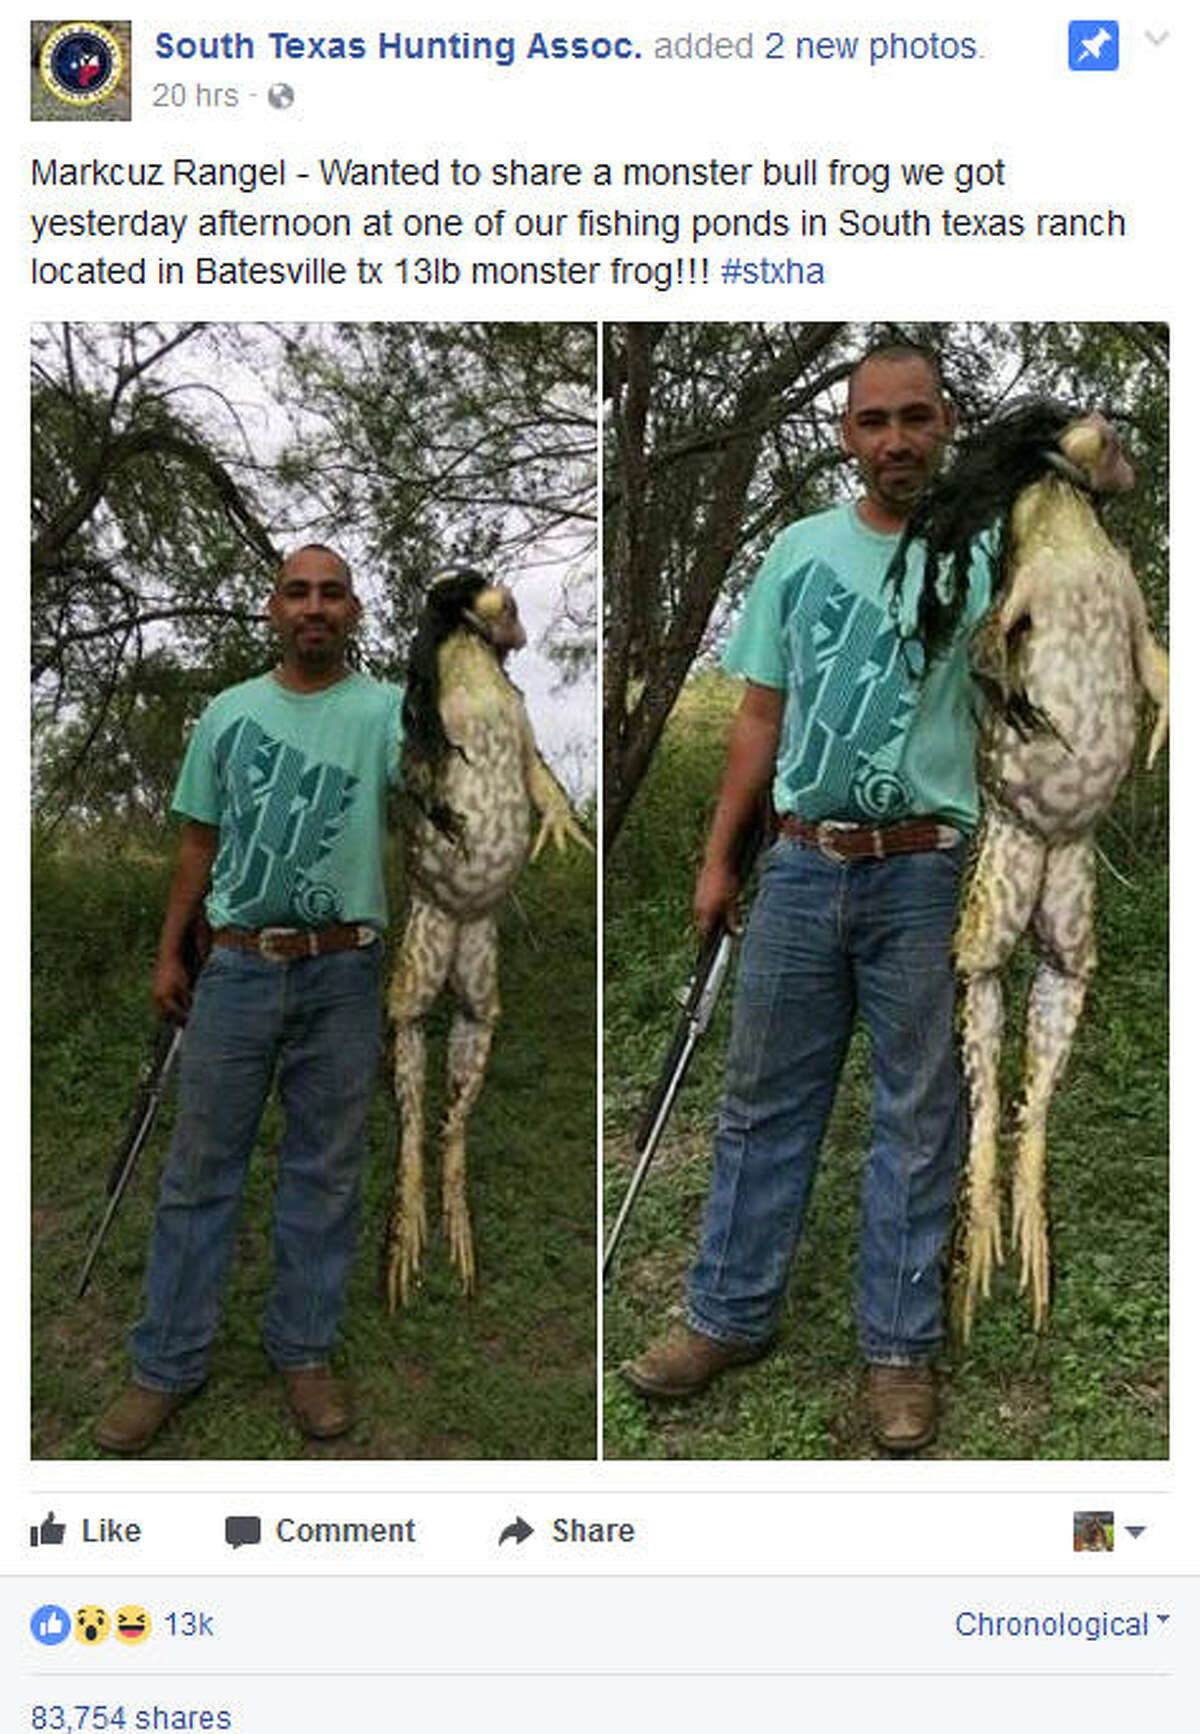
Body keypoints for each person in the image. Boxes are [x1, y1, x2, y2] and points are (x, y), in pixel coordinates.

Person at [621, 344, 993, 1452]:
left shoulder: (981, 554)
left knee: (919, 1117)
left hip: (924, 868)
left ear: (947, 423)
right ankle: (727, 1317)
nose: (896, 440)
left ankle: (898, 1350)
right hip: (798, 863)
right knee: (762, 1106)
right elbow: (757, 718)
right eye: (873, 421)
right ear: (845, 434)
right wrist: (717, 857)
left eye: (916, 418)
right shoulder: (798, 552)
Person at [94, 544, 403, 1452]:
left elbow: (440, 807)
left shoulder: (389, 713)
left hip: (344, 969)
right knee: (198, 1175)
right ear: (273, 608)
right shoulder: (228, 715)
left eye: (332, 594)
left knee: (325, 1171)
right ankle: (165, 1366)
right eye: (298, 592)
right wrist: (168, 954)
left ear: (353, 613)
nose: (315, 606)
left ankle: (304, 1353)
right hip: (234, 967)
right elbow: (198, 844)